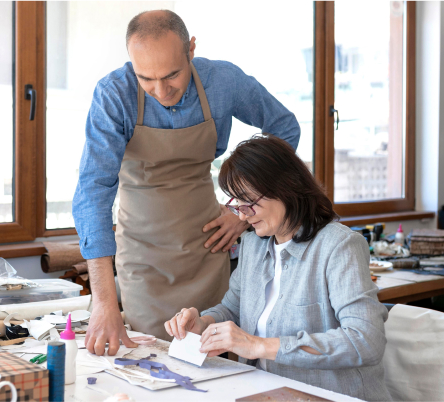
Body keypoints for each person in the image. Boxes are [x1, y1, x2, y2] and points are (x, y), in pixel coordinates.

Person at [72, 10, 301, 355]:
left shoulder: (223, 81)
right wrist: (104, 302)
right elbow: (92, 193)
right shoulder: (113, 95)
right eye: (146, 79)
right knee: (152, 361)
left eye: (172, 75)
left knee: (217, 359)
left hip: (208, 249)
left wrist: (242, 213)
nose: (161, 90)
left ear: (190, 50)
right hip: (142, 259)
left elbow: (285, 129)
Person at [165, 135, 392, 401]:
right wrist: (203, 323)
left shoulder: (339, 246)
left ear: (286, 187)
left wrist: (259, 346)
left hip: (333, 395)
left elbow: (365, 341)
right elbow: (233, 308)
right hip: (266, 392)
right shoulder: (253, 246)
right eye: (236, 204)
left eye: (248, 202)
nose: (241, 215)